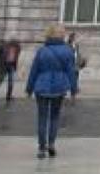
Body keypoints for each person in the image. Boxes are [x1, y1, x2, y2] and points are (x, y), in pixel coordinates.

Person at [25, 23, 79, 160]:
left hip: (41, 86)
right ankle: (51, 144)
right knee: (55, 117)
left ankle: (41, 147)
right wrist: (73, 89)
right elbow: (71, 72)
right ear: (62, 35)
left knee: (42, 118)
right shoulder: (67, 51)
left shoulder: (42, 51)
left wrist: (29, 89)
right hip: (59, 87)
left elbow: (34, 71)